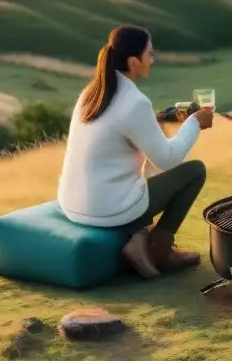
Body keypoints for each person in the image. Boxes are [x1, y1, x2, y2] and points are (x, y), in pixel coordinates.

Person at [57, 26, 214, 278]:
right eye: (149, 54)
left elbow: (119, 126)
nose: (152, 60)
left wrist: (160, 118)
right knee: (195, 171)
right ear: (133, 61)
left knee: (147, 170)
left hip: (72, 203)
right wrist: (194, 122)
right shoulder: (135, 102)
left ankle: (141, 237)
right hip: (107, 210)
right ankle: (159, 251)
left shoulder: (91, 92)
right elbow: (168, 158)